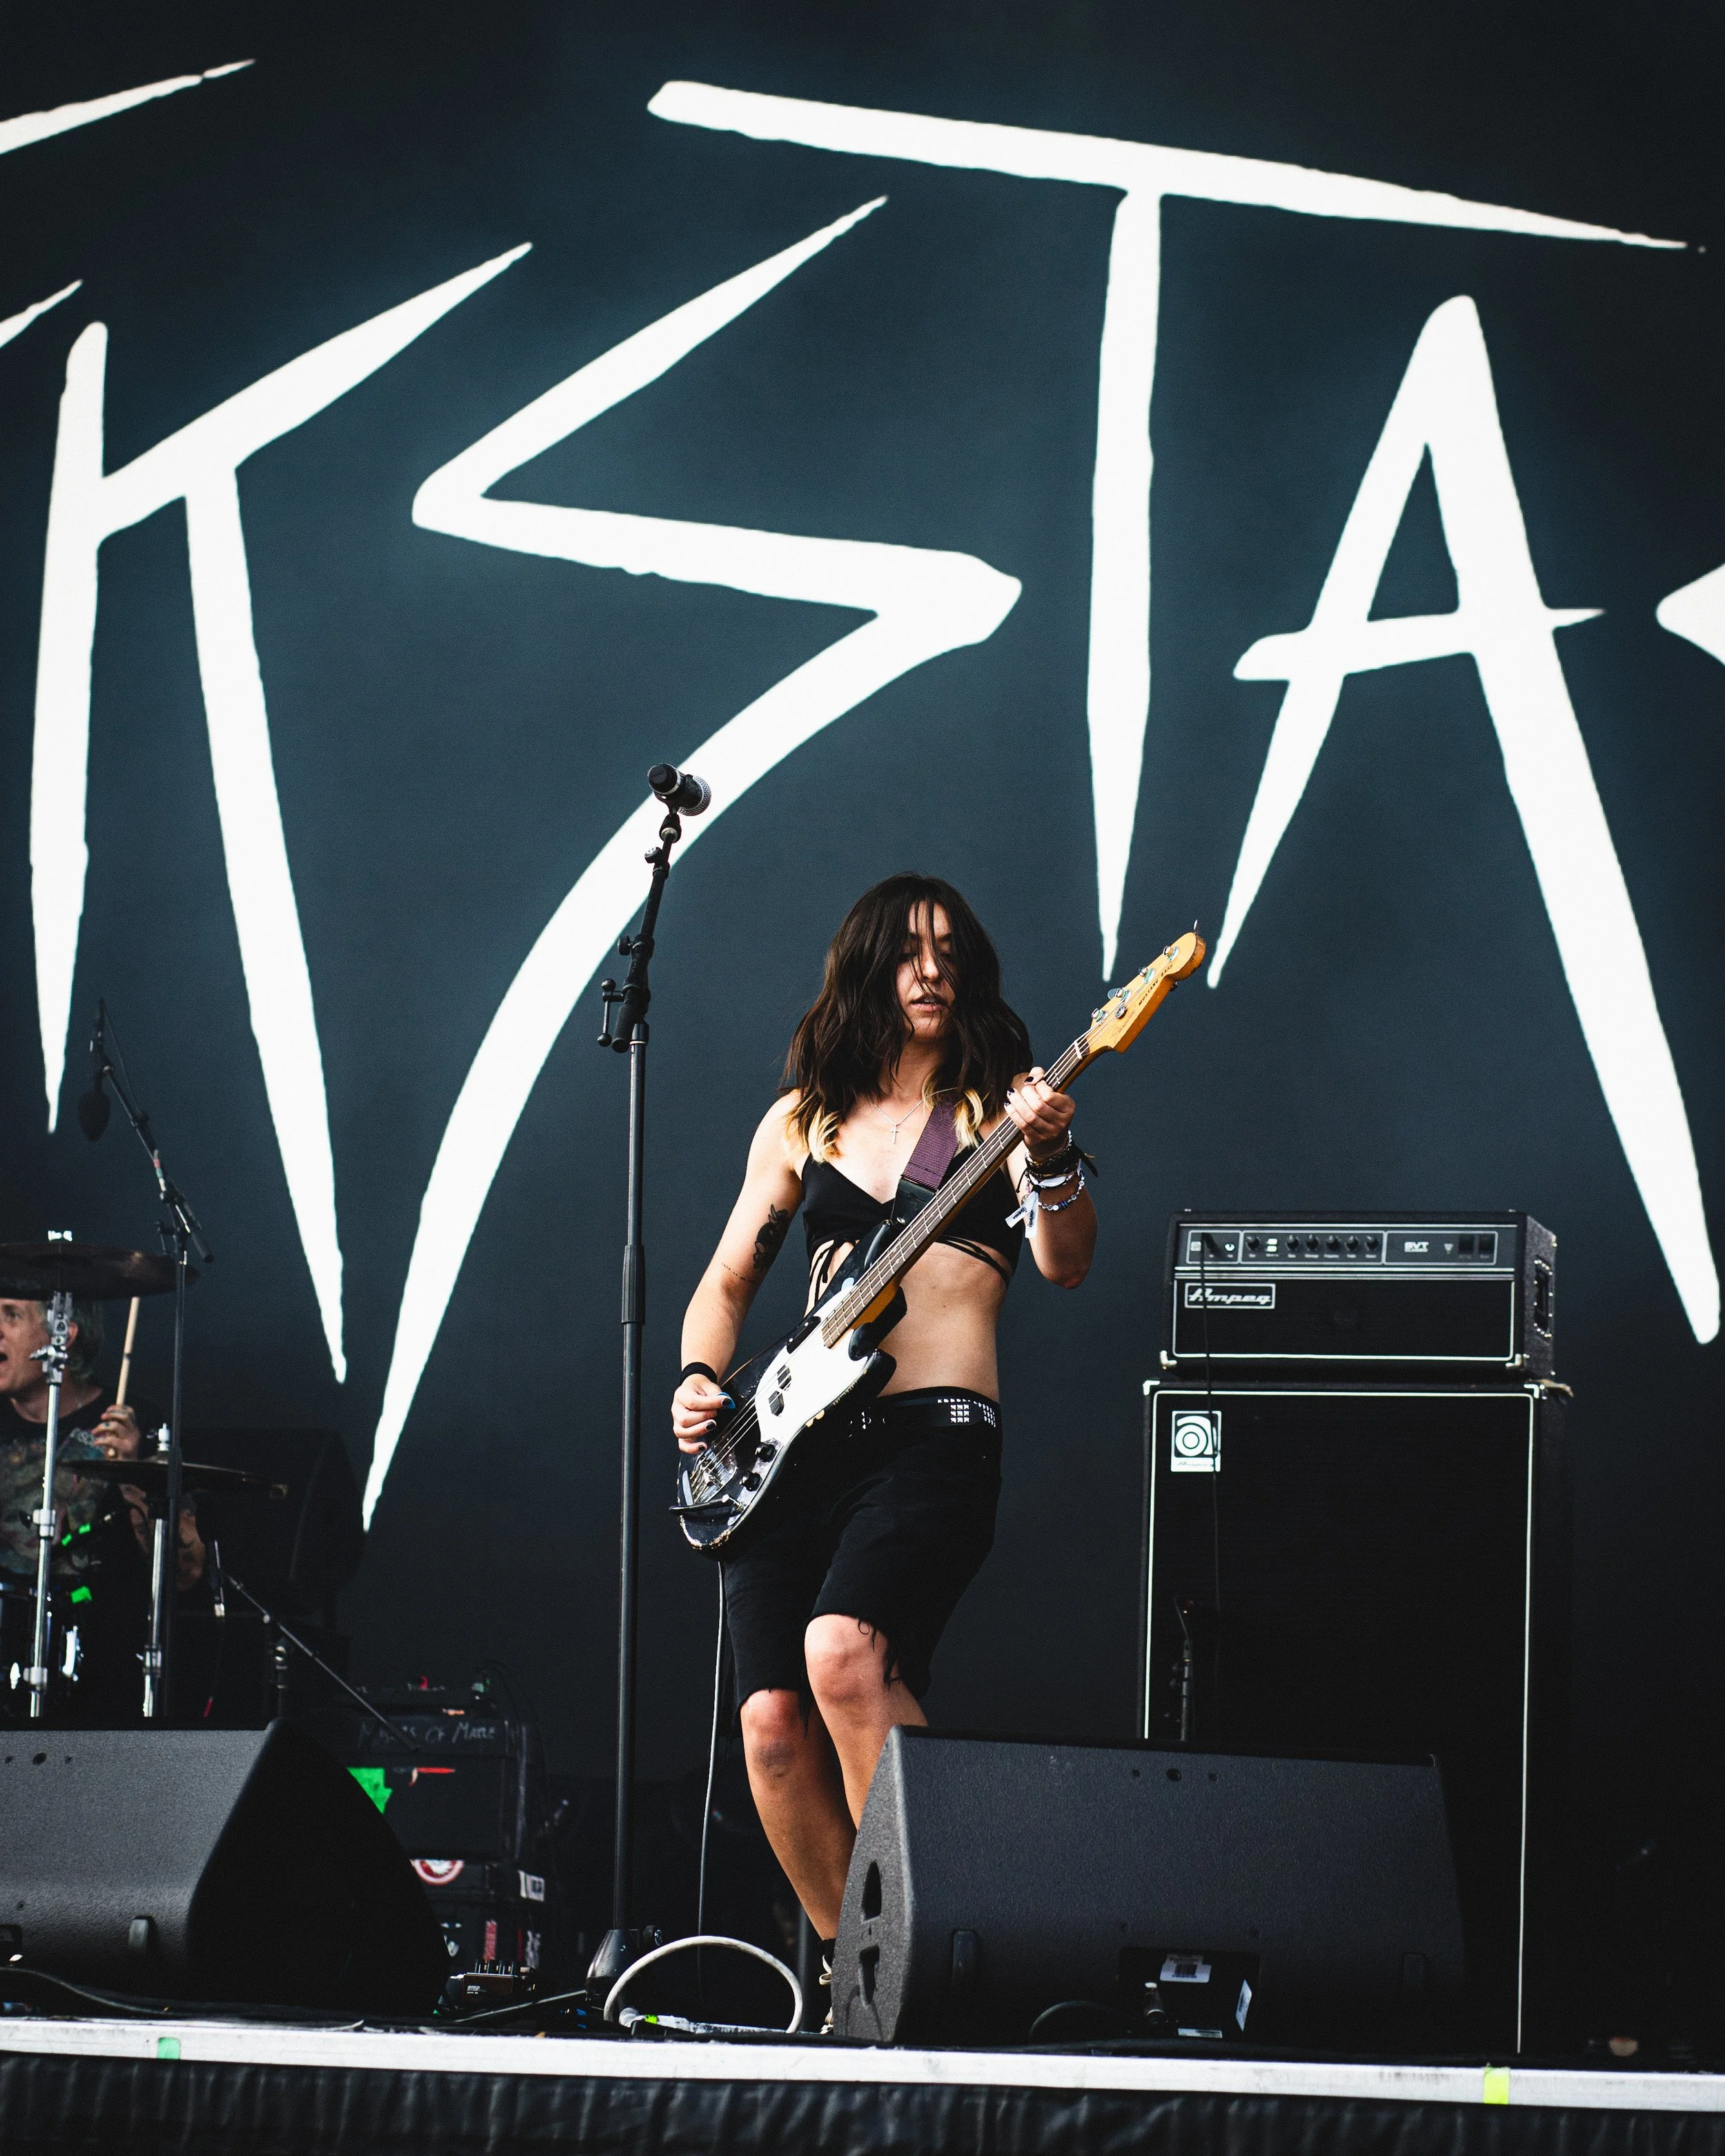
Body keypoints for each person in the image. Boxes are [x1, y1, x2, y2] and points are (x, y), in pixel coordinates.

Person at [672, 872, 1096, 1974]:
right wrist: (699, 1377)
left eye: (949, 949)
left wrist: (1051, 1156)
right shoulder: (802, 1120)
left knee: (845, 1652)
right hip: (793, 1449)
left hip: (934, 1440)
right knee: (771, 1726)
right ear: (867, 965)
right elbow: (726, 1280)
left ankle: (937, 1946)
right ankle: (850, 1974)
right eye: (908, 949)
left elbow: (1067, 1260)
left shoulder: (1001, 1109)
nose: (931, 969)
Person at [0, 1294, 204, 1719]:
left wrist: (135, 1476)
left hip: (103, 1676)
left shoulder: (134, 1424)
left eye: (11, 1315)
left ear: (63, 1336)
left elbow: (185, 1574)